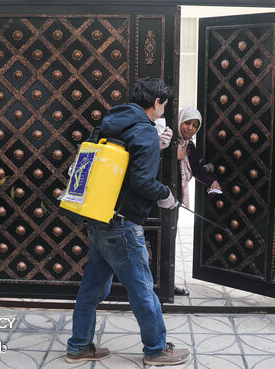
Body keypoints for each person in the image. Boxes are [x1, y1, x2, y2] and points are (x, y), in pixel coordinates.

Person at [66, 78, 191, 367]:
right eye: (164, 105)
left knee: (90, 290)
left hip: (98, 217)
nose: (164, 111)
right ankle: (156, 349)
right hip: (123, 225)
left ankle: (79, 346)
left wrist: (153, 147)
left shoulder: (112, 123)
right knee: (142, 290)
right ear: (157, 102)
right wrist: (167, 195)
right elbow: (142, 182)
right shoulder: (144, 132)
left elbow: (119, 167)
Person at [167, 107, 221, 296]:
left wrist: (211, 181)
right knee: (160, 242)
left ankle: (167, 284)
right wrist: (173, 157)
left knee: (170, 243)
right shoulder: (167, 140)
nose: (190, 128)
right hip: (159, 200)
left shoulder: (189, 146)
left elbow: (196, 170)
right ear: (179, 120)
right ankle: (159, 285)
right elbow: (153, 163)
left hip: (175, 201)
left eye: (194, 125)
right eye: (187, 123)